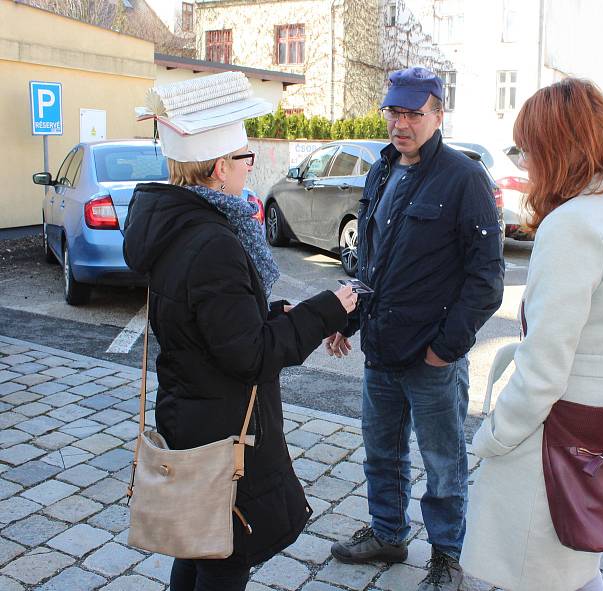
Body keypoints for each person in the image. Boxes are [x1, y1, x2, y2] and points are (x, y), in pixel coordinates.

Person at [123, 72, 358, 591]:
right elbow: (249, 356)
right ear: (219, 167)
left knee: (198, 541)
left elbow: (211, 325)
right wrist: (325, 310)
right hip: (223, 430)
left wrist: (274, 312)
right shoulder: (213, 242)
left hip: (191, 411)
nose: (253, 166)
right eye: (247, 156)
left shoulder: (176, 223)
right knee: (224, 555)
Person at [459, 78, 603, 591]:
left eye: (528, 149)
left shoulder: (573, 224)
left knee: (537, 573)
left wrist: (495, 436)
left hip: (555, 438)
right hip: (601, 429)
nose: (524, 163)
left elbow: (544, 367)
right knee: (571, 572)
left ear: (557, 148)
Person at [325, 67, 504, 590]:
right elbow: (372, 264)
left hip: (433, 359)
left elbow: (486, 279)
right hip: (381, 349)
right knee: (381, 452)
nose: (401, 124)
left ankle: (447, 555)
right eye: (394, 112)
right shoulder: (381, 170)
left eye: (413, 113)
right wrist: (348, 319)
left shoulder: (465, 178)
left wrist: (445, 350)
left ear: (438, 114)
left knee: (443, 463)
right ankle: (388, 533)